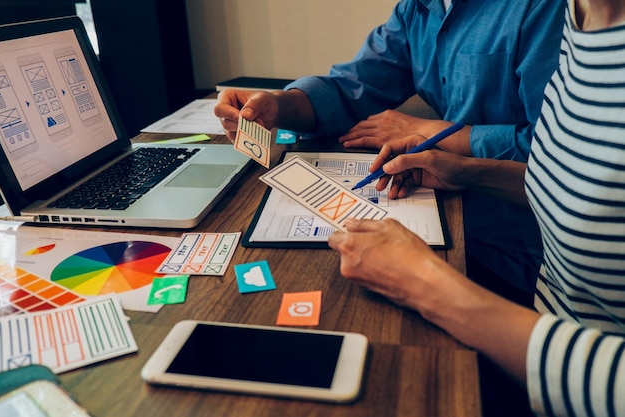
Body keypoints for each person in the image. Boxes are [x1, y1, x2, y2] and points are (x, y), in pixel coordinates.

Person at [328, 1, 625, 415]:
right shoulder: (582, 20)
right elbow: (580, 187)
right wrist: (468, 173)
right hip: (540, 329)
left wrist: (427, 285)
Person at [215, 0, 566, 307]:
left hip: (520, 255)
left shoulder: (544, 8)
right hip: (444, 217)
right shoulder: (417, 9)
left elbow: (558, 151)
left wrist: (434, 132)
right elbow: (351, 86)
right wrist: (280, 105)